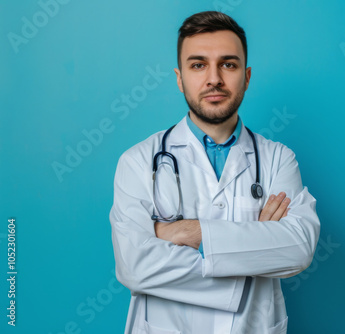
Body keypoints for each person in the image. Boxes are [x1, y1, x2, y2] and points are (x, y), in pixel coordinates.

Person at [110, 11, 320, 334]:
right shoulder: (138, 162)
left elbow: (297, 248)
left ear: (247, 77)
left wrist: (187, 233)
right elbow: (134, 267)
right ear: (179, 78)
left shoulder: (278, 159)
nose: (214, 79)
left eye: (228, 64)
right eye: (198, 65)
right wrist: (255, 248)